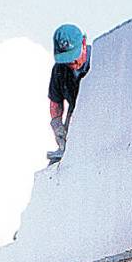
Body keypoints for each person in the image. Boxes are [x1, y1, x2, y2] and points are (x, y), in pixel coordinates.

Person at [48, 23, 91, 162]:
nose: (71, 62)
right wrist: (57, 126)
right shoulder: (59, 70)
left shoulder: (99, 60)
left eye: (74, 56)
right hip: (74, 113)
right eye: (66, 59)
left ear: (84, 44)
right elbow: (55, 102)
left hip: (97, 110)